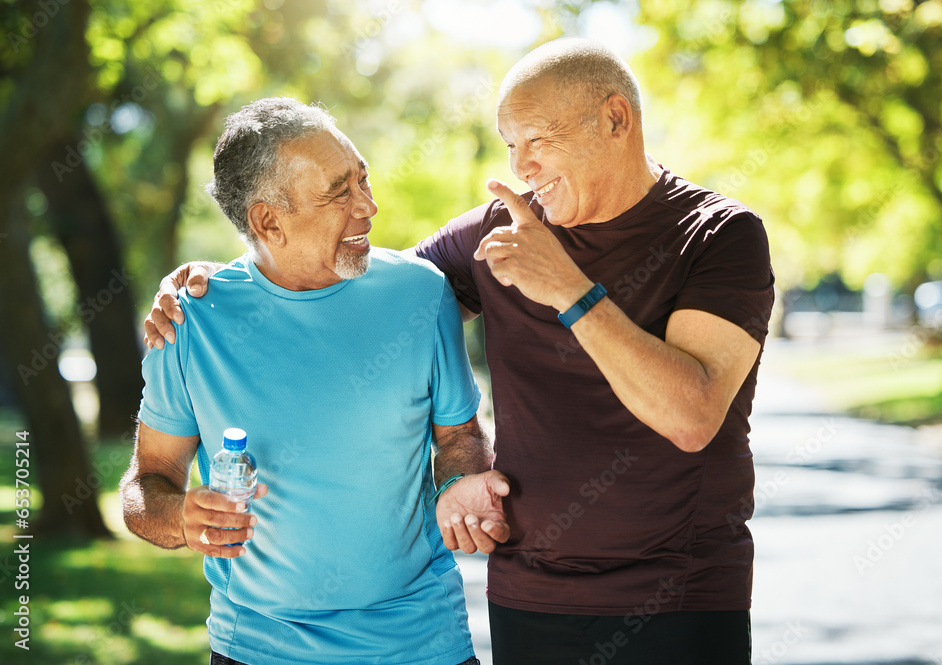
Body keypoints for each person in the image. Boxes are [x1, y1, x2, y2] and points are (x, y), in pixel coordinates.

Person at [145, 39, 774, 665]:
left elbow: (691, 416)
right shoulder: (494, 233)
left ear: (616, 119)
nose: (521, 166)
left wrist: (569, 291)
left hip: (681, 593)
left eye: (538, 139)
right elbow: (359, 294)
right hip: (530, 594)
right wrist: (230, 279)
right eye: (509, 144)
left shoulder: (718, 234)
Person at [120, 96, 508, 665]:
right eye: (338, 193)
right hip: (256, 649)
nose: (368, 207)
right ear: (267, 221)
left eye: (363, 180)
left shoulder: (421, 294)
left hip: (420, 642)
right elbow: (145, 482)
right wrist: (177, 517)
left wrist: (459, 487)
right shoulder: (188, 321)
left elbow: (458, 437)